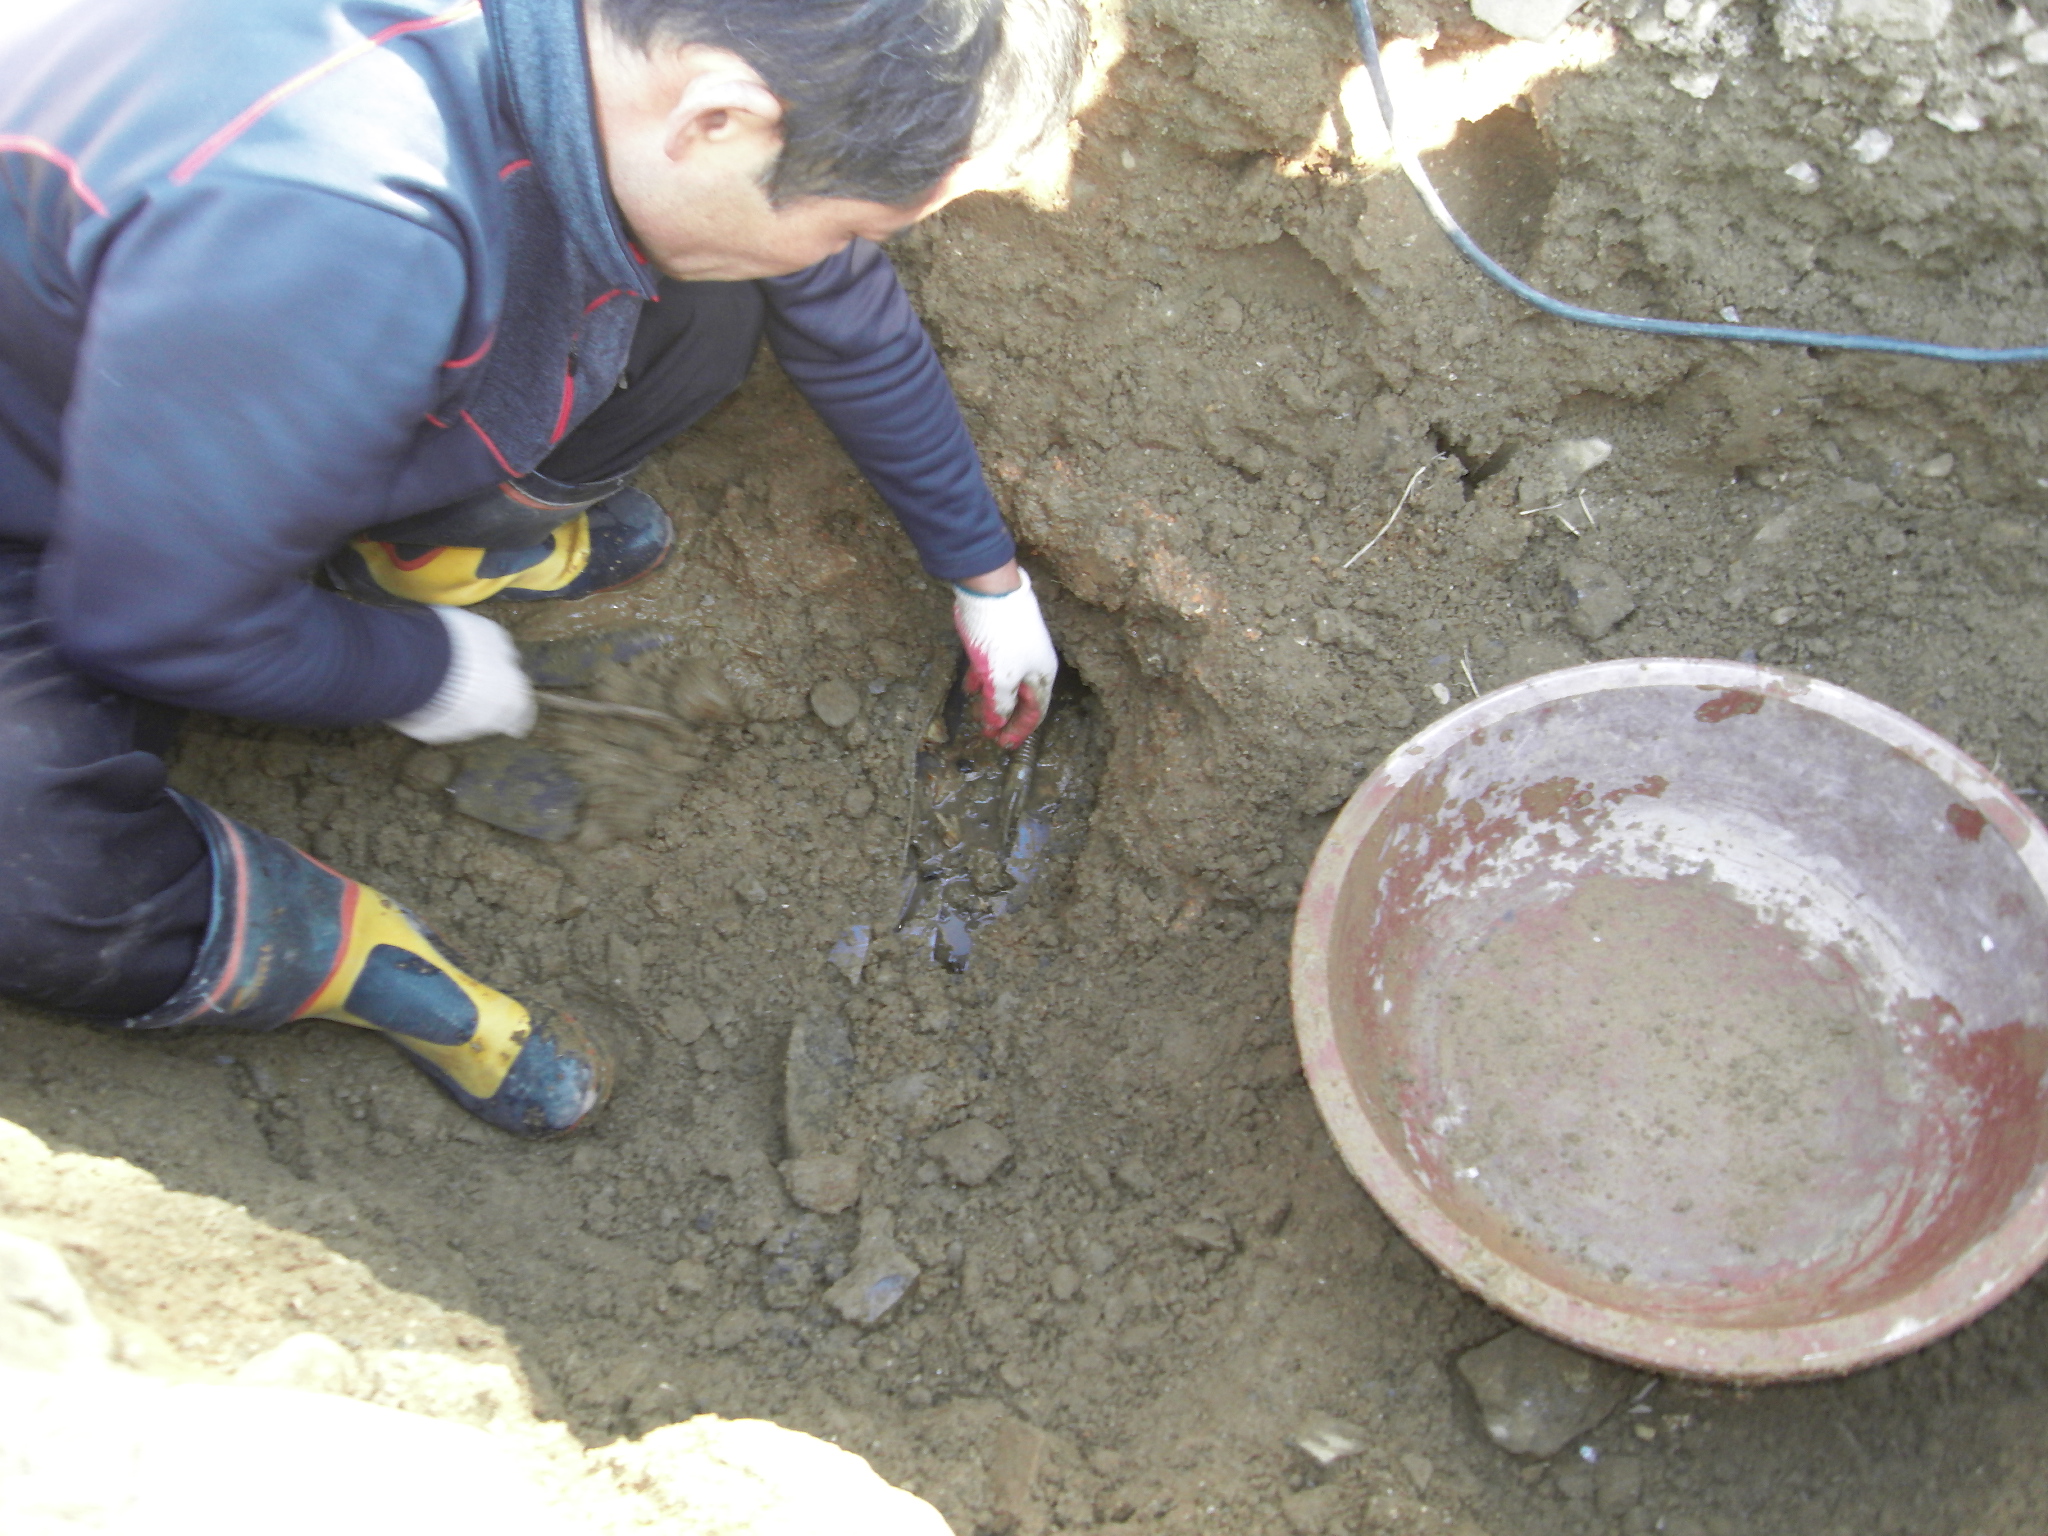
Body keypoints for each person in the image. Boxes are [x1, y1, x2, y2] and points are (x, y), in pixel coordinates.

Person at [0, 0, 1085, 1136]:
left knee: (715, 308)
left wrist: (986, 577)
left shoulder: (644, 64)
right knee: (39, 884)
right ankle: (338, 951)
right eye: (848, 223)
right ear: (719, 121)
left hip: (255, 395)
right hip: (58, 511)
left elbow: (845, 314)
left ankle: (413, 553)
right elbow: (154, 620)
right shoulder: (340, 224)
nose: (837, 253)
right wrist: (426, 673)